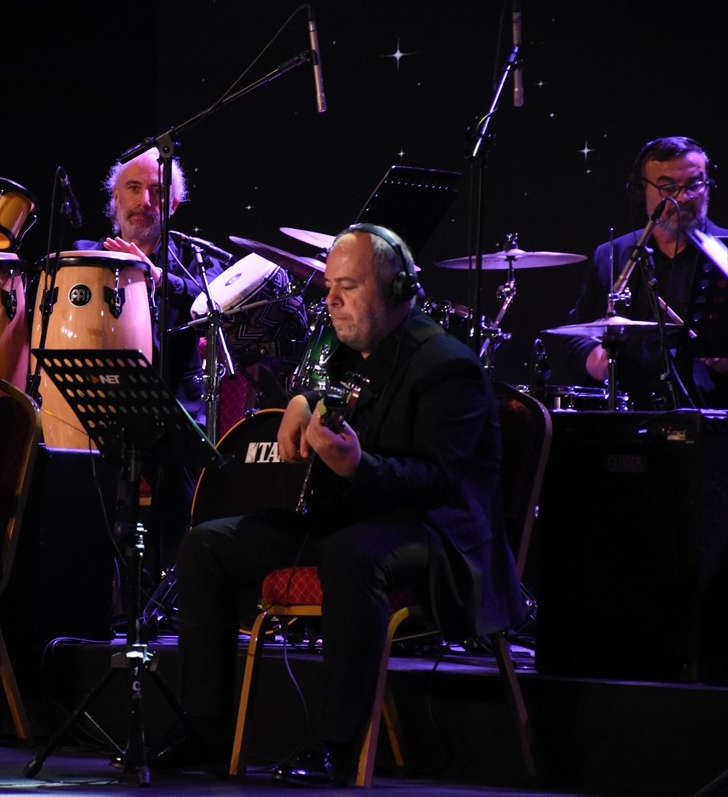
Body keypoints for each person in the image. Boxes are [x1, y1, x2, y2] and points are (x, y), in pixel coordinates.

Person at [163, 224, 523, 785]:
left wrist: (358, 466)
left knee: (353, 556)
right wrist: (301, 399)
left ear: (396, 290)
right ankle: (204, 730)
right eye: (329, 285)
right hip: (356, 521)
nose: (329, 300)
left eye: (347, 287)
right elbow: (323, 389)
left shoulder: (449, 367)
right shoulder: (353, 353)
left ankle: (337, 744)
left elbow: (440, 483)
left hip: (440, 536)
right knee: (208, 544)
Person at [72, 146, 232, 582]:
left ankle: (177, 592)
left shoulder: (192, 261)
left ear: (174, 204)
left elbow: (221, 295)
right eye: (133, 188)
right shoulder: (85, 256)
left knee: (183, 474)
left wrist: (158, 277)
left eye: (157, 192)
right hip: (94, 405)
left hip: (172, 409)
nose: (144, 201)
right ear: (115, 199)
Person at [554, 135, 728, 408]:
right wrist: (595, 360)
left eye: (695, 184)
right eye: (667, 186)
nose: (683, 197)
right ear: (640, 191)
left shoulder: (724, 254)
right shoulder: (613, 255)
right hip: (632, 415)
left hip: (713, 417)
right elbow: (576, 335)